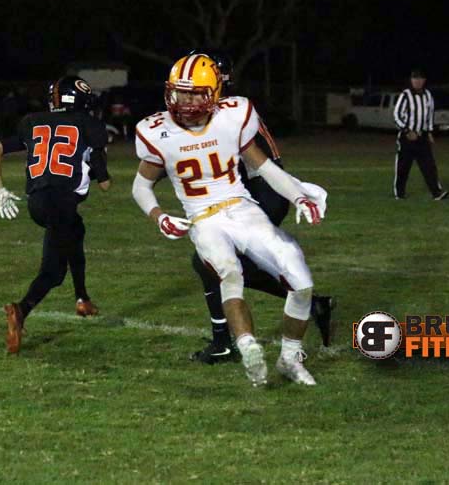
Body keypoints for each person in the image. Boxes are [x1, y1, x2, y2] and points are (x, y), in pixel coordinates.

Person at [132, 54, 325, 386]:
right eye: (180, 92)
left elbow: (265, 168)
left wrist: (299, 196)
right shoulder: (157, 131)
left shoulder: (233, 117)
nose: (186, 101)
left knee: (300, 279)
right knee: (229, 273)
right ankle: (247, 347)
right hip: (204, 219)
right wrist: (159, 216)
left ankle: (290, 359)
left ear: (214, 93)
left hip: (243, 209)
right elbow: (140, 185)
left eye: (195, 93)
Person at [183, 49, 334, 366]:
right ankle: (310, 304)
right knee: (216, 265)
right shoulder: (230, 106)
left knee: (210, 263)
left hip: (263, 192)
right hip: (262, 190)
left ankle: (224, 342)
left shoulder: (225, 113)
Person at [0, 76, 111, 354]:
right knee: (53, 273)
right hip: (60, 203)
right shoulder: (88, 125)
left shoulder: (33, 121)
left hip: (38, 202)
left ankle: (82, 299)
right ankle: (21, 310)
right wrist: (97, 161)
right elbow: (105, 184)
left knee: (76, 231)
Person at [392, 69, 449, 200]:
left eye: (419, 79)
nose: (417, 81)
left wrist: (429, 132)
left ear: (424, 80)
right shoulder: (405, 95)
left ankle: (437, 193)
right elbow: (397, 115)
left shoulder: (428, 95)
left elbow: (430, 115)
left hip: (422, 137)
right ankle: (399, 193)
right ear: (411, 80)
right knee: (403, 166)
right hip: (407, 137)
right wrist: (407, 131)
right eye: (414, 79)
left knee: (429, 165)